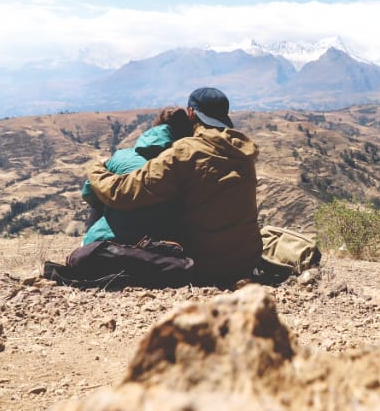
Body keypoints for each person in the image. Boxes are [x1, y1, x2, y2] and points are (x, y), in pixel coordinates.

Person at [85, 87, 262, 285]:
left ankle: (88, 249)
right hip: (247, 261)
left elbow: (122, 193)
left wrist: (96, 169)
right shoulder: (243, 153)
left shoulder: (186, 151)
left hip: (205, 265)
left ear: (191, 113)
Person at [79, 106, 192, 246]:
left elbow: (88, 193)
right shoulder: (185, 165)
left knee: (99, 196)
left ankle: (88, 246)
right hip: (160, 245)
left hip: (108, 242)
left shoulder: (122, 156)